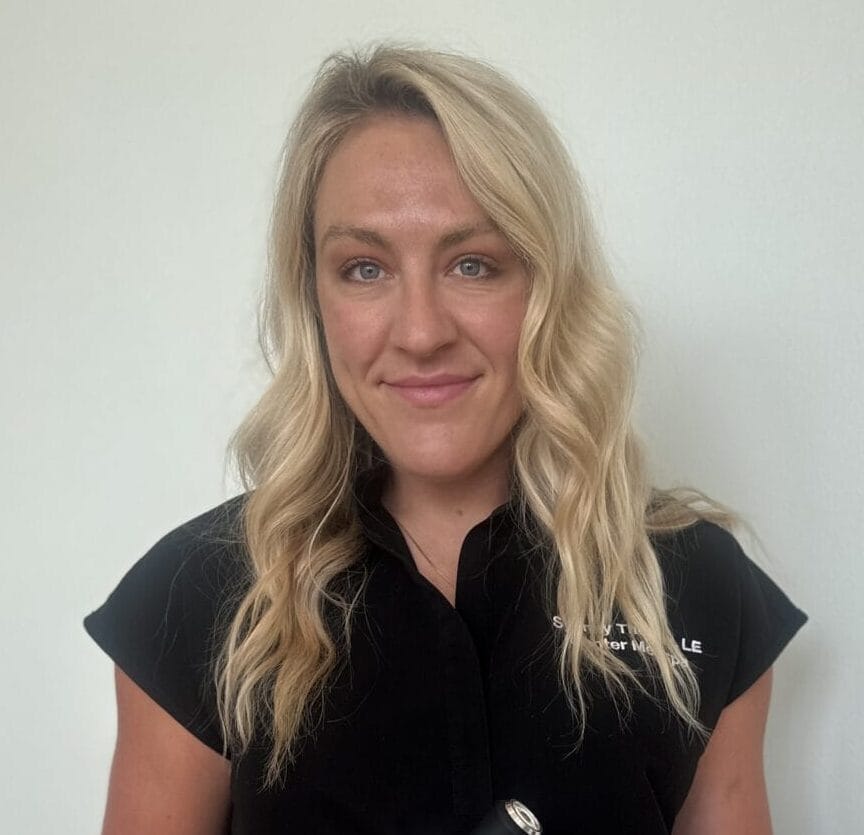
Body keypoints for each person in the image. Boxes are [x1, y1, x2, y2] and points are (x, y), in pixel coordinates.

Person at [84, 44, 807, 835]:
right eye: (365, 269)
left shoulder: (699, 585)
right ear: (314, 298)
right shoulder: (195, 597)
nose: (422, 332)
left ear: (547, 286)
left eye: (473, 264)